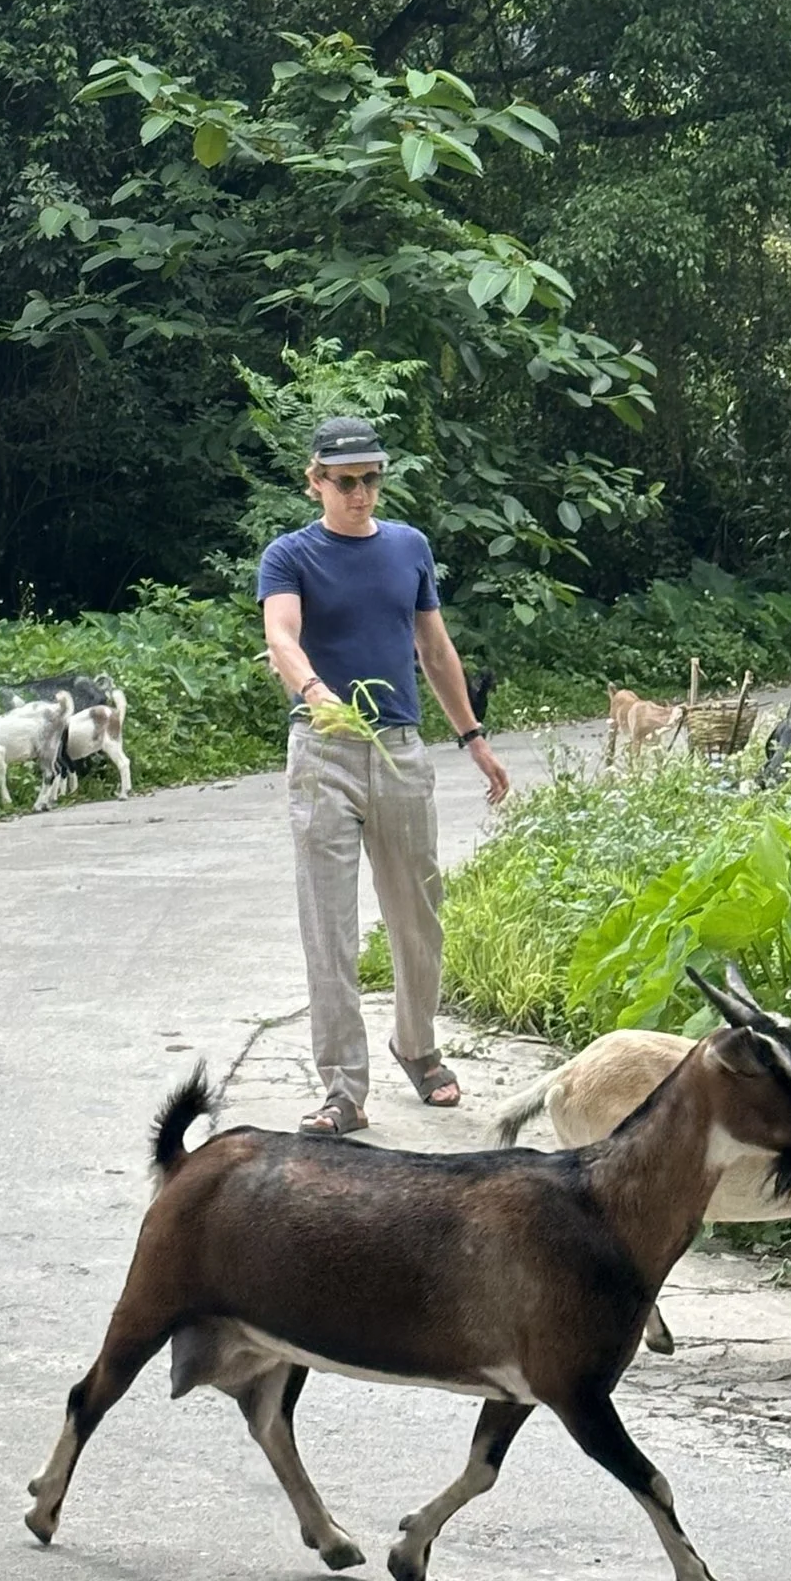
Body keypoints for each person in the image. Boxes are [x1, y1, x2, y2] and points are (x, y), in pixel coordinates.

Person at [258, 417, 511, 1137]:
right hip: (324, 749)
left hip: (400, 746)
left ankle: (417, 1047)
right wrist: (314, 691)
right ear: (315, 481)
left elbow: (434, 648)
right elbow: (281, 633)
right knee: (329, 926)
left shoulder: (409, 547)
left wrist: (473, 737)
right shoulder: (291, 554)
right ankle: (343, 1087)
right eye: (346, 480)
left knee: (417, 917)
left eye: (371, 477)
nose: (361, 491)